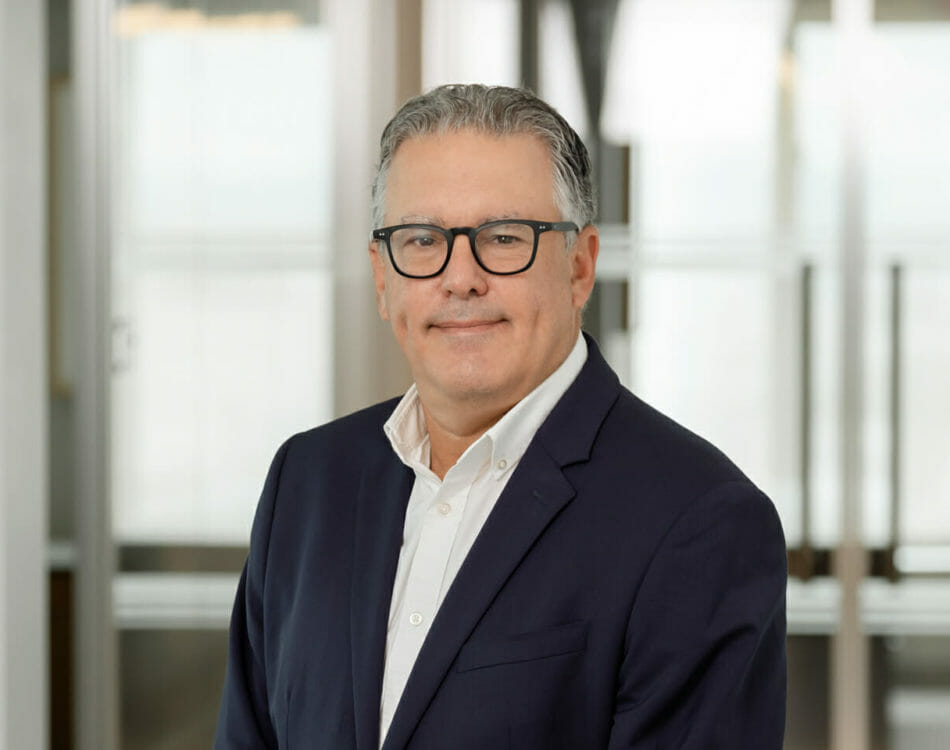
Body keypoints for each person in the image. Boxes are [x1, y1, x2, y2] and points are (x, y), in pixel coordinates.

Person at [214, 83, 787, 749]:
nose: (460, 278)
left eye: (504, 237)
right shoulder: (308, 481)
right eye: (422, 239)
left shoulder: (700, 521)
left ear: (579, 267)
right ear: (382, 277)